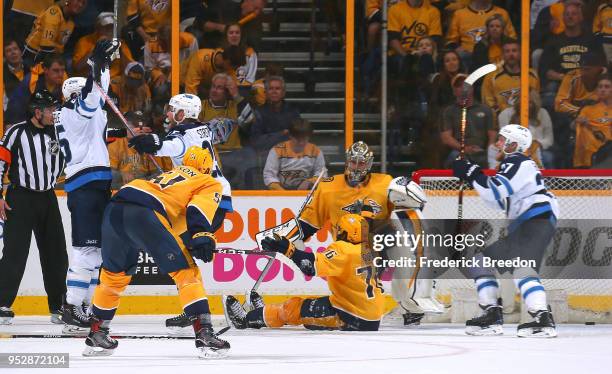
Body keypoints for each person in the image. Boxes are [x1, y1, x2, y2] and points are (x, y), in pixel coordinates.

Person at [259, 141, 430, 326]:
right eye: (354, 162)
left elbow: (409, 209)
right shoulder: (328, 188)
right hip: (349, 253)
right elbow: (306, 225)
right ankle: (350, 314)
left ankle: (410, 308)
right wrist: (288, 239)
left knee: (407, 257)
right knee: (355, 295)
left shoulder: (385, 183)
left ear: (370, 164)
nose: (357, 167)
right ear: (347, 162)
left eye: (362, 163)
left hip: (380, 244)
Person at [83, 146, 230, 358]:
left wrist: (188, 241)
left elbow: (172, 221)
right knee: (186, 272)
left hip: (115, 209)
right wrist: (201, 235)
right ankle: (205, 334)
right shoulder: (208, 181)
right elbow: (197, 209)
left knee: (114, 276)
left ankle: (97, 332)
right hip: (145, 214)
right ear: (207, 168)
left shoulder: (167, 175)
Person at [128, 93, 236, 328]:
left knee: (181, 253)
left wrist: (151, 143)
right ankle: (193, 307)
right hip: (211, 196)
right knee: (180, 252)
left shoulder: (183, 134)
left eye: (172, 110)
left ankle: (196, 309)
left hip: (208, 198)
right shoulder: (202, 129)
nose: (167, 113)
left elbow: (172, 145)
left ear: (181, 114)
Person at [452, 124, 559, 338]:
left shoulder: (517, 161)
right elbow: (498, 201)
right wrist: (472, 176)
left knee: (521, 268)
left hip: (535, 219)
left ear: (513, 144)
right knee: (479, 261)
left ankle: (542, 318)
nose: (497, 143)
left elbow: (494, 191)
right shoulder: (516, 165)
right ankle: (491, 314)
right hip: (533, 220)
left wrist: (472, 172)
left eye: (502, 140)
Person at [55, 40, 120, 331]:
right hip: (86, 185)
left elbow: (97, 114)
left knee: (96, 251)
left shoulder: (76, 114)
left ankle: (84, 305)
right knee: (86, 249)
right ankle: (71, 306)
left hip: (93, 183)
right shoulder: (73, 110)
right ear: (73, 95)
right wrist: (100, 65)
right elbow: (94, 98)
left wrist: (102, 67)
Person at [225, 214, 385, 331]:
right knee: (308, 304)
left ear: (344, 232)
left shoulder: (344, 249)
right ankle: (261, 313)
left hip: (352, 317)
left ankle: (245, 320)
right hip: (369, 316)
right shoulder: (371, 250)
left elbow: (309, 266)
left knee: (293, 309)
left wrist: (288, 249)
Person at [0, 90, 67, 325]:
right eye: (50, 110)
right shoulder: (16, 132)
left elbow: (93, 136)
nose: (54, 114)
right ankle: (1, 304)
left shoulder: (60, 132)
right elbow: (1, 161)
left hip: (47, 198)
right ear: (37, 112)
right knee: (15, 253)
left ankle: (59, 307)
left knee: (56, 254)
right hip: (20, 198)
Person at [539, 3, 604, 108]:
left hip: (588, 84)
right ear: (563, 18)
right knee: (548, 97)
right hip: (560, 84)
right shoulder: (553, 41)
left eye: (574, 14)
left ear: (581, 17)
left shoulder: (591, 40)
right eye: (567, 14)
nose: (570, 16)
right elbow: (545, 70)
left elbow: (602, 66)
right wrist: (565, 78)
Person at [441, 74, 497, 168]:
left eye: (466, 84)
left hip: (482, 150)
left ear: (472, 87)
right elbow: (446, 138)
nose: (463, 87)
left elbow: (493, 135)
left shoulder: (485, 109)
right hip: (459, 150)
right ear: (454, 91)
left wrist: (488, 151)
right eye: (459, 85)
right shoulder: (449, 111)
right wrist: (464, 149)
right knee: (454, 158)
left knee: (493, 160)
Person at [445, 0, 517, 66]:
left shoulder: (502, 13)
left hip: (494, 55)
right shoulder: (459, 14)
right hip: (468, 56)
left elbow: (512, 38)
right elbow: (451, 40)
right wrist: (456, 47)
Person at [481, 39, 540, 116]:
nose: (511, 54)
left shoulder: (532, 75)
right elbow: (488, 104)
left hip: (528, 117)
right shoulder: (491, 77)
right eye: (507, 51)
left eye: (514, 51)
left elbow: (536, 100)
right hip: (503, 120)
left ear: (520, 53)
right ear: (502, 55)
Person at [263, 119, 327, 190]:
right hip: (280, 193)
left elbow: (322, 174)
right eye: (298, 139)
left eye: (305, 139)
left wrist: (309, 182)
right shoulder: (277, 150)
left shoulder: (315, 151)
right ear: (290, 136)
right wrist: (284, 194)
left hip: (306, 193)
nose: (301, 143)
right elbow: (269, 176)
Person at [5, 54, 67, 125]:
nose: (60, 74)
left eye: (62, 70)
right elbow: (16, 106)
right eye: (56, 70)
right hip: (29, 122)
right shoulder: (30, 82)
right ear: (45, 70)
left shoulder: (67, 85)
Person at [499, 90, 554, 168]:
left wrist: (537, 143)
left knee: (548, 157)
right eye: (524, 102)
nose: (527, 105)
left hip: (539, 149)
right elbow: (504, 139)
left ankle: (547, 180)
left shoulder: (543, 113)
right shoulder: (505, 114)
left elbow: (549, 139)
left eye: (531, 102)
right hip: (514, 149)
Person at [72, 12, 135, 79]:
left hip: (113, 81)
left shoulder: (120, 43)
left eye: (111, 27)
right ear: (97, 28)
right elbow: (77, 68)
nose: (109, 31)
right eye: (106, 27)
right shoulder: (84, 41)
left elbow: (130, 70)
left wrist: (121, 52)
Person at [22, 0, 87, 65]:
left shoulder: (71, 23)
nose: (80, 5)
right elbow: (46, 46)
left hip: (49, 57)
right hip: (32, 54)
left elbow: (60, 47)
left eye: (83, 3)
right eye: (78, 1)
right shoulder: (54, 13)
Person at [250, 76, 301, 156]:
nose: (274, 91)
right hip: (266, 157)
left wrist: (270, 138)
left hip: (289, 156)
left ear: (283, 92)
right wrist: (282, 134)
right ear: (266, 92)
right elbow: (257, 142)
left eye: (277, 88)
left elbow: (298, 138)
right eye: (271, 89)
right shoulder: (258, 112)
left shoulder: (293, 111)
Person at [192, 0, 266, 49]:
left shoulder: (256, 23)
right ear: (247, 1)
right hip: (210, 49)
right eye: (255, 8)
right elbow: (199, 22)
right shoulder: (224, 6)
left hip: (234, 55)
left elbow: (253, 45)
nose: (257, 13)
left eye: (260, 10)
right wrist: (220, 27)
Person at [573, 75, 612, 168]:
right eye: (600, 87)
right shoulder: (587, 110)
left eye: (607, 87)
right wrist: (578, 123)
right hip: (593, 145)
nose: (603, 89)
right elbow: (576, 126)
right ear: (596, 91)